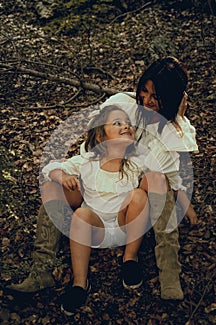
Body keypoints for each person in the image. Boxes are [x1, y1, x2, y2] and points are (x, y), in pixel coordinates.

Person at [8, 56, 198, 301]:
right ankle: (42, 270)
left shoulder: (168, 127)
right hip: (98, 186)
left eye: (157, 96)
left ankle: (169, 273)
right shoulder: (122, 104)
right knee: (53, 187)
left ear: (171, 100)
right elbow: (92, 143)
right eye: (145, 91)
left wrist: (183, 198)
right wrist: (78, 175)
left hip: (132, 199)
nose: (147, 101)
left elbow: (168, 174)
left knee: (157, 179)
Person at [41, 105, 166, 315]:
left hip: (125, 224)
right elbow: (49, 169)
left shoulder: (137, 161)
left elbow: (160, 179)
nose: (126, 126)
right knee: (81, 214)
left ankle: (130, 259)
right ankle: (80, 283)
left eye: (128, 123)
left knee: (138, 195)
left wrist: (153, 184)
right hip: (94, 228)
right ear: (100, 136)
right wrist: (62, 177)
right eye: (117, 123)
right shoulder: (88, 161)